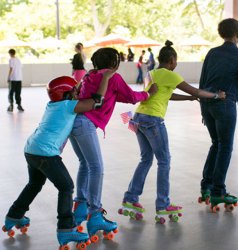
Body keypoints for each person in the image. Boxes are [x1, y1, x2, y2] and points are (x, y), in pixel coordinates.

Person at [2, 71, 115, 248]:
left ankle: (14, 216)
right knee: (66, 186)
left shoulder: (52, 104)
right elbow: (97, 102)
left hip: (31, 149)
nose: (78, 94)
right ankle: (66, 228)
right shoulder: (69, 105)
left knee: (34, 184)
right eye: (75, 91)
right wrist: (106, 78)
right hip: (45, 154)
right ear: (66, 94)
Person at [118, 40, 226, 224]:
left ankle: (131, 198)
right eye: (176, 61)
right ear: (172, 60)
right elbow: (198, 91)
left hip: (139, 118)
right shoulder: (170, 75)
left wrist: (189, 98)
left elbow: (165, 95)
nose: (176, 64)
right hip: (153, 121)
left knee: (146, 159)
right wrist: (217, 95)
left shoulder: (151, 73)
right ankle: (163, 204)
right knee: (164, 161)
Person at [69, 47, 157, 242]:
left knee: (85, 164)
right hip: (86, 124)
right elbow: (132, 97)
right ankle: (95, 214)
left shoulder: (89, 76)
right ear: (115, 64)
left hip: (74, 123)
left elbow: (121, 96)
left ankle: (80, 207)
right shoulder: (112, 77)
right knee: (96, 167)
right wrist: (148, 94)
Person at [198, 18, 238, 212]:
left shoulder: (212, 53)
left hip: (207, 104)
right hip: (225, 105)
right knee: (225, 147)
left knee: (216, 144)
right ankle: (218, 191)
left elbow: (202, 81)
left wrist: (202, 109)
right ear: (237, 34)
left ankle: (206, 185)